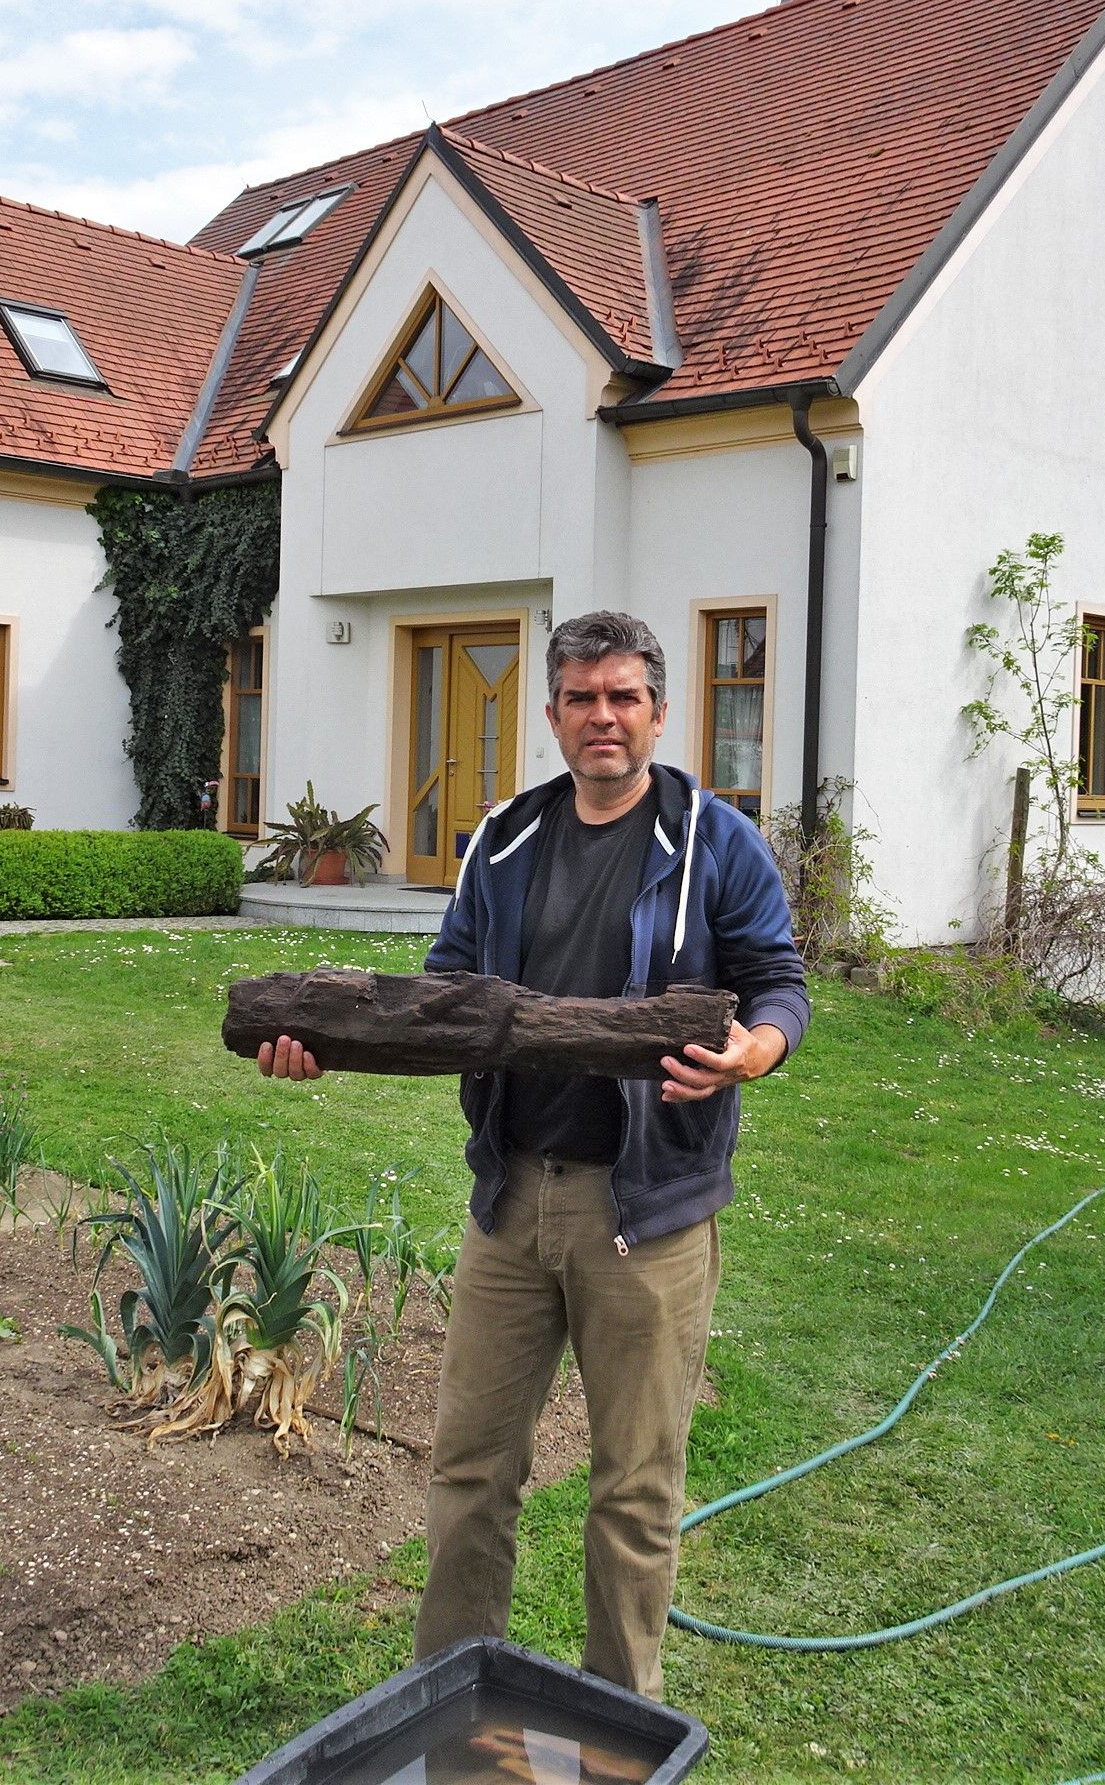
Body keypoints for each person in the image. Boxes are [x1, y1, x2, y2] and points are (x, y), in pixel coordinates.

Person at [256, 609, 809, 1700]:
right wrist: (327, 1038)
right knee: (469, 1470)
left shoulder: (715, 840)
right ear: (552, 713)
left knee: (636, 1489)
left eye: (624, 697)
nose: (603, 716)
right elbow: (442, 990)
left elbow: (779, 977)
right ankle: (452, 1701)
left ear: (657, 710)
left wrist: (754, 1051)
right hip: (511, 1205)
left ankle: (620, 1719)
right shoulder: (504, 839)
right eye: (581, 698)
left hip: (646, 1213)